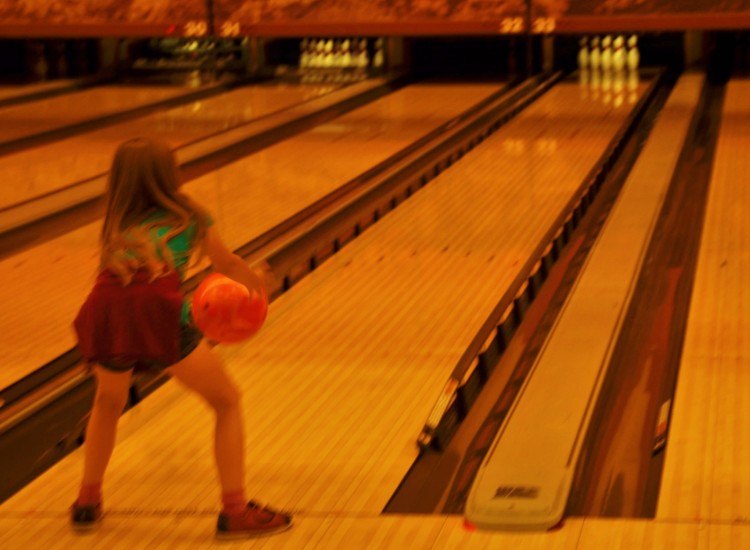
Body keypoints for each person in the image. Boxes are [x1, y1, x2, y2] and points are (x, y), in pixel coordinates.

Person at [70, 137, 292, 539]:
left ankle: (87, 500)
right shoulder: (191, 214)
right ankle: (235, 511)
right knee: (227, 402)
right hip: (158, 316)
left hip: (104, 312)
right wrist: (255, 285)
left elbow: (130, 287)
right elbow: (226, 263)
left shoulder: (117, 221)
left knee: (107, 402)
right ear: (170, 174)